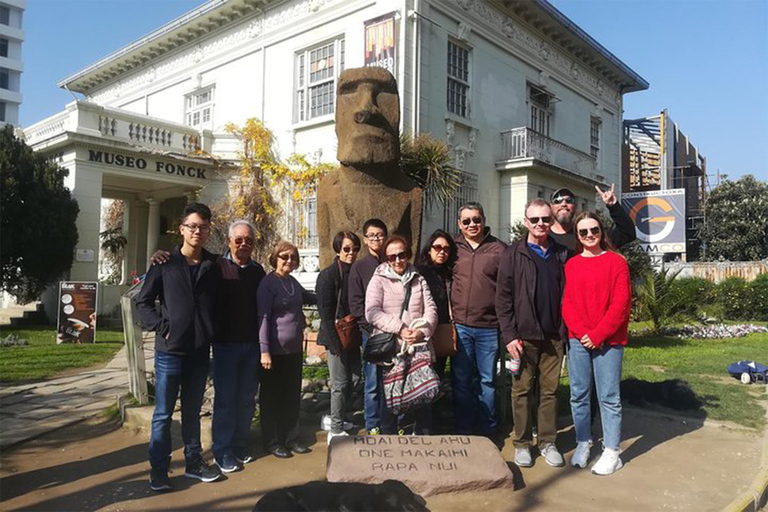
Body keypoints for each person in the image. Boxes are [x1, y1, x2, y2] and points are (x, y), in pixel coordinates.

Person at [135, 203, 223, 492]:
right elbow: (143, 302)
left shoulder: (213, 265)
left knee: (192, 410)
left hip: (199, 352)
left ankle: (194, 462)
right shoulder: (165, 264)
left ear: (209, 230)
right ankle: (159, 470)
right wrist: (164, 327)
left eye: (203, 226)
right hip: (170, 352)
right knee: (162, 413)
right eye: (193, 226)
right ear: (182, 229)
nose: (198, 231)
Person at [495, 198, 569, 469]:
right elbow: (502, 299)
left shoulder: (561, 254)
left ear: (552, 222)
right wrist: (510, 335)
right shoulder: (513, 254)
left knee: (550, 392)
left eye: (545, 219)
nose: (540, 224)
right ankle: (523, 444)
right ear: (526, 222)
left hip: (553, 336)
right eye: (535, 219)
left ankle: (548, 442)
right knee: (522, 391)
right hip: (523, 338)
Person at [562, 212, 631, 475]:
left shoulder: (617, 262)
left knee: (609, 397)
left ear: (601, 231)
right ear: (577, 236)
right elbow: (567, 304)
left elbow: (621, 305)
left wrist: (598, 334)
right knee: (578, 395)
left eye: (594, 230)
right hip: (579, 339)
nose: (590, 235)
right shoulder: (572, 265)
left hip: (609, 341)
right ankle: (583, 442)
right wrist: (582, 333)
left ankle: (612, 451)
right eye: (583, 232)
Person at [365, 235, 437, 434]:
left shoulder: (418, 278)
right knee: (390, 401)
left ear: (408, 254)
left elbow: (430, 308)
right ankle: (389, 445)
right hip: (392, 351)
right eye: (392, 256)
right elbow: (371, 312)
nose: (397, 260)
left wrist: (422, 331)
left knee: (423, 397)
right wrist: (400, 328)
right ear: (386, 259)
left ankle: (425, 443)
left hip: (418, 347)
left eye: (401, 254)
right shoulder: (378, 279)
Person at [211, 220, 266, 472]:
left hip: (251, 345)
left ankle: (240, 444)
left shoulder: (258, 271)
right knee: (225, 400)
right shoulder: (216, 267)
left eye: (249, 240)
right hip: (225, 345)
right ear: (229, 241)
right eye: (239, 240)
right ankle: (222, 450)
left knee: (245, 399)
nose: (244, 244)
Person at [450, 202, 506, 440]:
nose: (472, 224)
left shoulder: (500, 249)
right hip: (460, 326)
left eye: (476, 219)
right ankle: (463, 430)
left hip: (489, 327)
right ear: (459, 224)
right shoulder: (452, 248)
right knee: (461, 381)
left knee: (487, 381)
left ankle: (488, 432)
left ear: (483, 220)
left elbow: (507, 288)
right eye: (467, 221)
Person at [257, 241, 317, 458]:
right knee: (272, 397)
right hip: (273, 352)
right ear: (275, 258)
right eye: (284, 257)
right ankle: (272, 442)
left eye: (292, 257)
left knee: (291, 396)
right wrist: (264, 351)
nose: (289, 261)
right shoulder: (268, 284)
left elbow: (311, 297)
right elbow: (262, 318)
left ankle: (291, 438)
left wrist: (334, 292)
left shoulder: (292, 282)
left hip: (293, 350)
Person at [316, 231, 363, 444]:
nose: (351, 253)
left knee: (354, 379)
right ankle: (335, 430)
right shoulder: (328, 275)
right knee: (340, 383)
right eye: (346, 249)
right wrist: (334, 345)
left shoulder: (356, 271)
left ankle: (338, 418)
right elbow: (324, 312)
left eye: (355, 249)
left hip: (351, 334)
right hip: (335, 336)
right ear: (337, 249)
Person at [348, 219, 388, 435]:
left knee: (391, 379)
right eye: (371, 235)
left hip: (392, 332)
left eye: (380, 235)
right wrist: (368, 327)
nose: (376, 239)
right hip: (371, 334)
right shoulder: (359, 267)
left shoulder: (392, 262)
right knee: (372, 380)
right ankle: (372, 424)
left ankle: (390, 422)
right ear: (365, 239)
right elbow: (355, 303)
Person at [415, 230, 458, 388]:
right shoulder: (419, 272)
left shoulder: (450, 272)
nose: (442, 251)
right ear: (429, 249)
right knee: (423, 376)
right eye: (437, 247)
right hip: (424, 331)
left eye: (446, 249)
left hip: (444, 330)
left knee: (438, 374)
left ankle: (438, 409)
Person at [549, 185, 635, 251]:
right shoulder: (543, 235)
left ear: (575, 206)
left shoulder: (590, 234)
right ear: (551, 207)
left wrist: (613, 206)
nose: (563, 204)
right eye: (557, 201)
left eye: (569, 201)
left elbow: (627, 233)